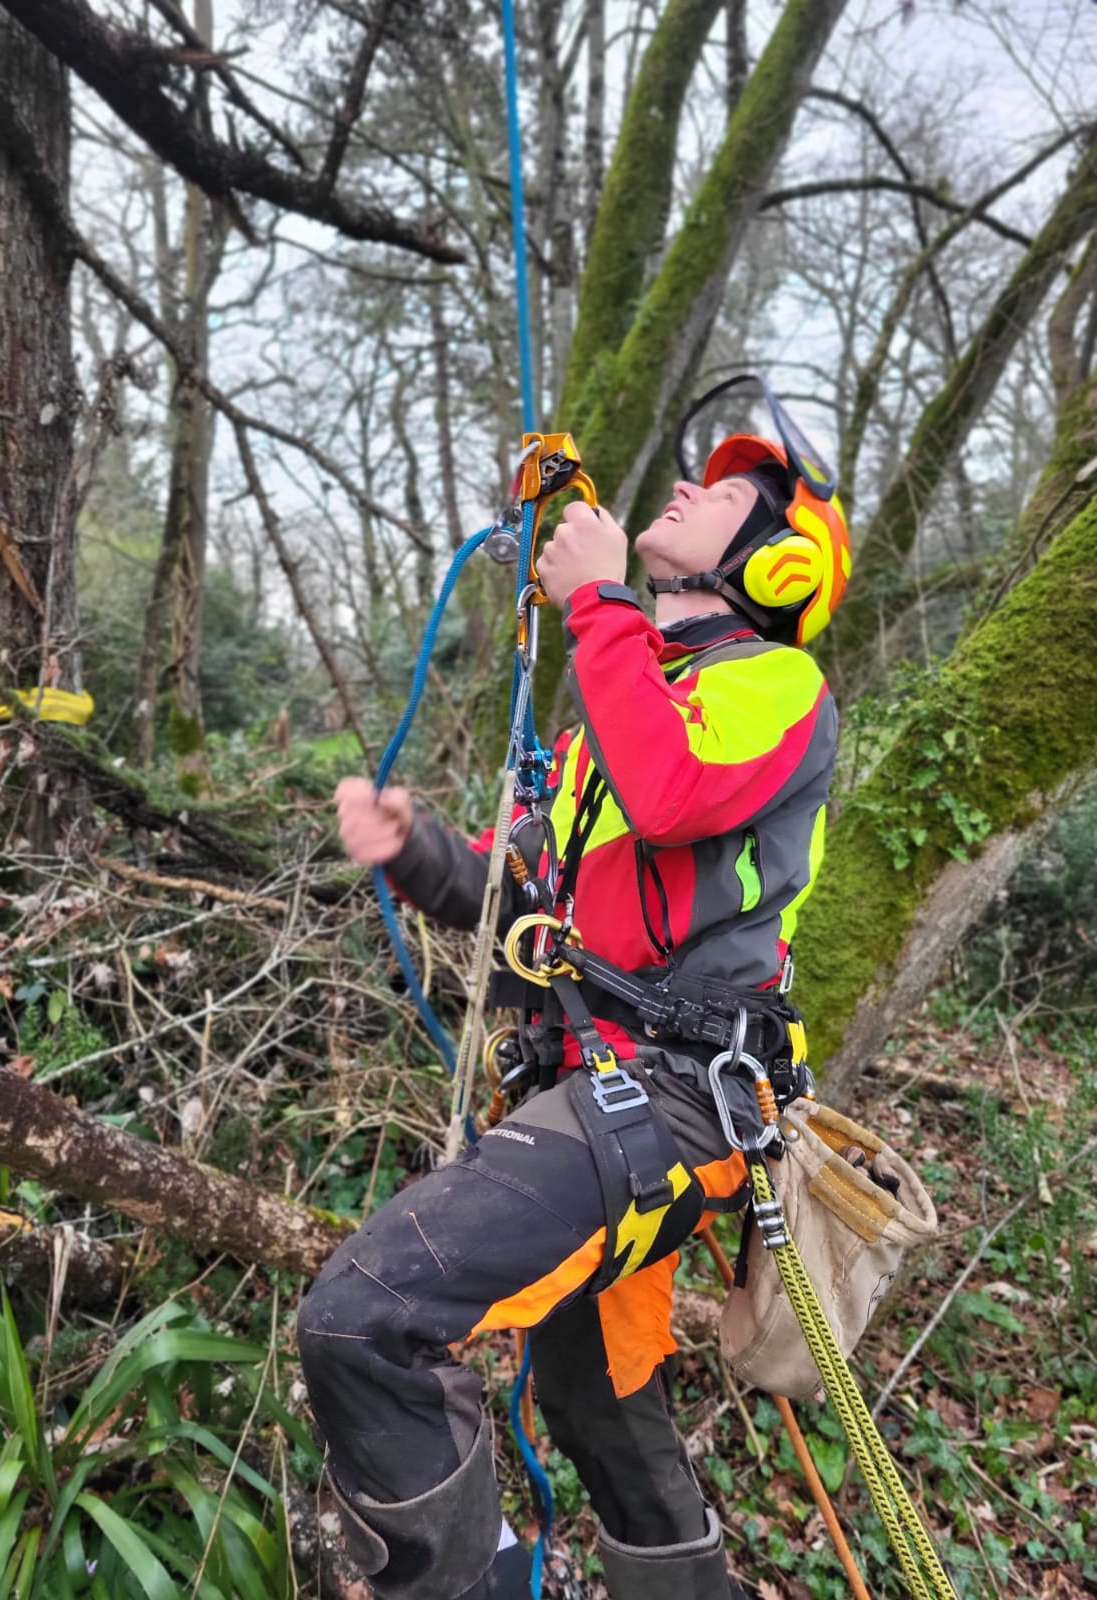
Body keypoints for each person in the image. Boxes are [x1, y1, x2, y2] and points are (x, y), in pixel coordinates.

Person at [298, 401, 851, 1600]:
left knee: (367, 1314)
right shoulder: (618, 700)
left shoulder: (776, 684)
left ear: (779, 561)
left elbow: (670, 795)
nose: (684, 491)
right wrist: (419, 850)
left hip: (674, 1097)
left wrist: (600, 601)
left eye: (722, 497)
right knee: (600, 1399)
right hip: (590, 1081)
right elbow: (527, 907)